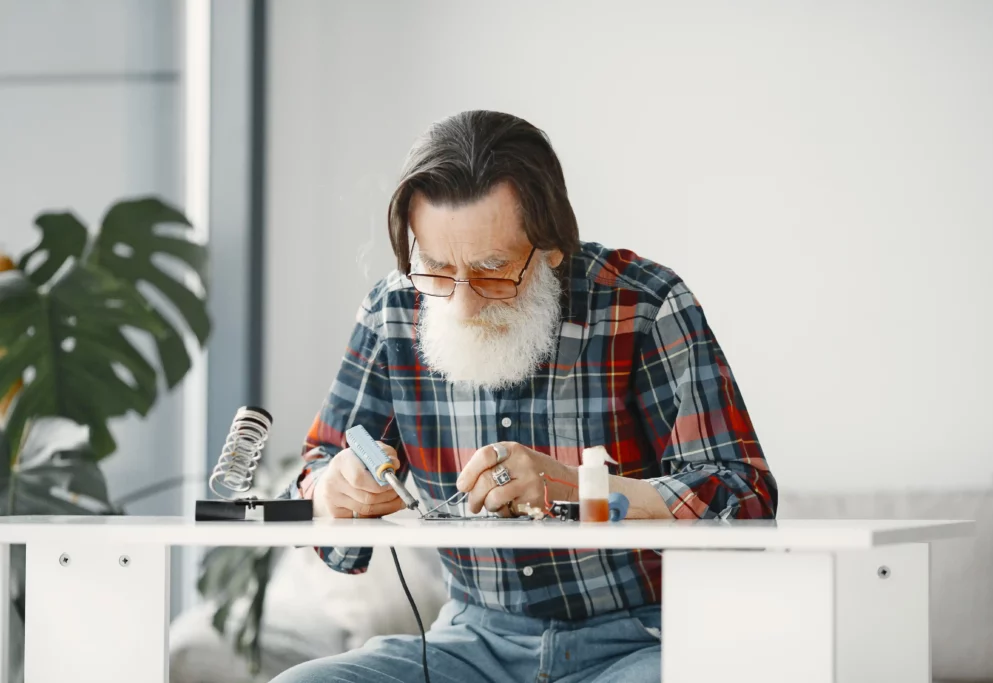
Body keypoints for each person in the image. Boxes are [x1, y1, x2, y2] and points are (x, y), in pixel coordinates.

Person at [272, 110, 777, 683]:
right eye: (436, 268)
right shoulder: (392, 311)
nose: (461, 303)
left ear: (553, 247)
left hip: (642, 640)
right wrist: (332, 491)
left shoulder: (644, 303)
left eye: (492, 271)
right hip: (470, 640)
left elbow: (748, 498)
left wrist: (589, 493)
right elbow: (311, 477)